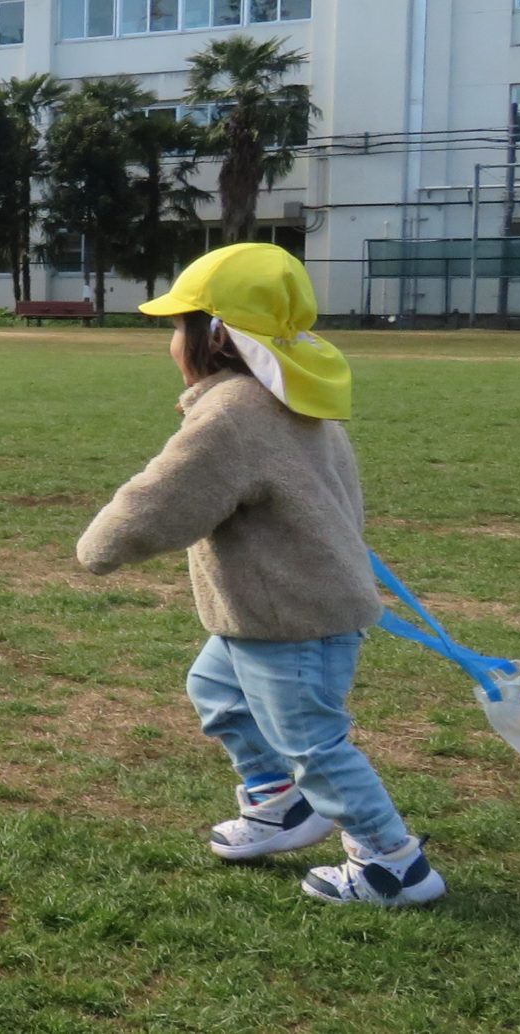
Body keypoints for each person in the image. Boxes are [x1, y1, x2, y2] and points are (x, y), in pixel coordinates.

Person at [77, 243, 444, 908]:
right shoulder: (294, 396)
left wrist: (101, 546)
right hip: (271, 609)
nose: (171, 343)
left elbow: (165, 498)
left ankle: (393, 863)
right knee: (216, 690)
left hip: (292, 617)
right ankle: (280, 804)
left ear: (215, 335)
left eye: (178, 327)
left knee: (313, 743)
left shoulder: (234, 414)